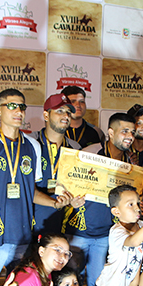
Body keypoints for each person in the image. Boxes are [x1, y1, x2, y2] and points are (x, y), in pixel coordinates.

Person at [0, 89, 71, 286]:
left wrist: (54, 203)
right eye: (12, 106)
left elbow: (30, 192)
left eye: (22, 107)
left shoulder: (33, 146)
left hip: (23, 238)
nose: (19, 111)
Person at [63, 113, 136, 286]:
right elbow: (68, 183)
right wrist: (72, 200)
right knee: (70, 280)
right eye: (124, 131)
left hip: (105, 234)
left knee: (97, 284)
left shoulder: (131, 163)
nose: (130, 136)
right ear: (110, 132)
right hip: (79, 231)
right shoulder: (89, 153)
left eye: (132, 132)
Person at [31, 94, 83, 235]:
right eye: (59, 111)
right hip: (32, 221)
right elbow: (25, 187)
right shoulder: (30, 143)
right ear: (46, 116)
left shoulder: (75, 149)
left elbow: (77, 186)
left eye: (68, 112)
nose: (66, 116)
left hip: (62, 223)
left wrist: (76, 199)